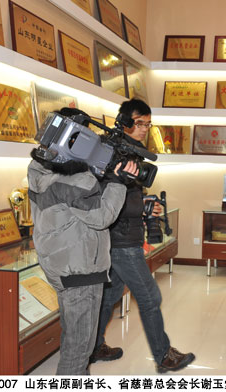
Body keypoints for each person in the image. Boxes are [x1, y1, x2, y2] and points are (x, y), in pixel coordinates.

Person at [91, 99, 195, 373]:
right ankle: (164, 356)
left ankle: (94, 346)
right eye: (139, 123)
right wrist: (138, 207)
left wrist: (146, 204)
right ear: (125, 122)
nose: (144, 129)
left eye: (148, 124)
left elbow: (126, 195)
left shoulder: (132, 153)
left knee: (110, 295)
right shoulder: (111, 153)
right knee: (150, 297)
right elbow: (106, 197)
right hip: (122, 241)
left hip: (124, 236)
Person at [27, 108, 133, 375]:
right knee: (79, 350)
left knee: (73, 338)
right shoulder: (76, 180)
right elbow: (101, 217)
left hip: (61, 265)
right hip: (81, 269)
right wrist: (119, 182)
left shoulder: (40, 169)